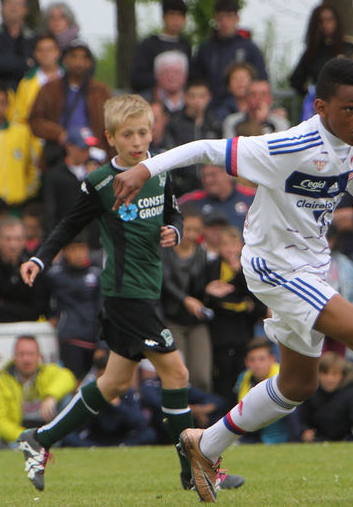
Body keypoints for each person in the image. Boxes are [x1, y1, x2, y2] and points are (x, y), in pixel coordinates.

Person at [110, 58, 353, 502]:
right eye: (349, 109)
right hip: (274, 267)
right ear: (321, 107)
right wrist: (144, 169)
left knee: (297, 384)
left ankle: (204, 445)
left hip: (311, 268)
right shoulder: (289, 145)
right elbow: (206, 148)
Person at [16, 93, 236, 493]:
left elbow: (173, 212)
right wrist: (40, 259)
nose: (138, 142)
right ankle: (196, 470)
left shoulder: (160, 170)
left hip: (146, 291)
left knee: (115, 383)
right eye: (128, 134)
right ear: (110, 138)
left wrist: (177, 230)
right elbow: (67, 226)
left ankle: (40, 439)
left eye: (143, 132)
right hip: (124, 295)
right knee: (177, 373)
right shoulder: (100, 182)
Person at [204, 227, 268, 401]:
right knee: (222, 378)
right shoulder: (212, 266)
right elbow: (213, 298)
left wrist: (238, 273)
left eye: (234, 244)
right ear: (218, 247)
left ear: (241, 246)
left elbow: (256, 299)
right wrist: (240, 302)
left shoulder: (247, 268)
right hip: (220, 334)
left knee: (242, 377)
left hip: (243, 334)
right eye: (225, 245)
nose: (230, 249)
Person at [28, 40, 111, 168]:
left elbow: (112, 126)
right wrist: (59, 134)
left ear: (90, 62)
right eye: (74, 56)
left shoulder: (101, 91)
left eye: (84, 57)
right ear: (65, 59)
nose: (78, 62)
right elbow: (35, 121)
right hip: (60, 156)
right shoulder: (49, 89)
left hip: (93, 155)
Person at [162, 209, 214, 392]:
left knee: (201, 375)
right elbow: (164, 283)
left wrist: (209, 289)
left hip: (196, 319)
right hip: (172, 318)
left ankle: (202, 416)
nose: (192, 235)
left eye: (197, 230)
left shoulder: (202, 253)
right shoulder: (165, 251)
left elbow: (202, 285)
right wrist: (185, 300)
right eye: (188, 229)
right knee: (179, 373)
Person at [0, 335, 78, 444]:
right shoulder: (1, 383)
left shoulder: (48, 372)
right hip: (21, 437)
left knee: (67, 399)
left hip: (49, 430)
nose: (26, 359)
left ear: (38, 356)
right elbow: (1, 422)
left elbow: (69, 378)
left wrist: (51, 396)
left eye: (31, 354)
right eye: (21, 354)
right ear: (14, 357)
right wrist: (29, 437)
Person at [193, 0, 268, 115]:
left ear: (237, 18)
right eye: (221, 17)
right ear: (215, 18)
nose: (225, 22)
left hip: (245, 111)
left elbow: (262, 81)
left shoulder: (250, 48)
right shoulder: (205, 49)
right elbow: (196, 81)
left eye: (229, 17)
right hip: (212, 111)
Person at [47, 236, 102, 381]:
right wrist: (52, 314)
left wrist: (102, 344)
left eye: (82, 248)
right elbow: (42, 296)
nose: (78, 253)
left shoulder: (97, 276)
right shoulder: (54, 275)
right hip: (70, 337)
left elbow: (102, 309)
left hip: (93, 338)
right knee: (73, 383)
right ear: (65, 252)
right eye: (73, 249)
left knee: (98, 384)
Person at [0, 217, 49, 322]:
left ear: (24, 241)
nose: (13, 245)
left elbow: (38, 308)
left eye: (18, 239)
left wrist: (1, 304)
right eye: (8, 239)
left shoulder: (33, 268)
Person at [289, 3, 353, 98]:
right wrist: (311, 95)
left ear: (336, 21)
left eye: (330, 19)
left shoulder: (349, 47)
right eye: (321, 21)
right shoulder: (313, 52)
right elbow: (296, 80)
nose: (326, 24)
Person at [233, 338, 294, 444]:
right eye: (252, 360)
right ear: (246, 362)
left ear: (272, 359)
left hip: (280, 437)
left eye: (261, 359)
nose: (257, 364)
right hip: (252, 435)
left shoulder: (284, 378)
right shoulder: (243, 378)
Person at [131, 0, 192, 94]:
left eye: (180, 15)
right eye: (172, 14)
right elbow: (137, 77)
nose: (176, 20)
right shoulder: (149, 44)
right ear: (164, 17)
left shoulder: (185, 45)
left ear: (184, 19)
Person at [299, 351, 353, 442]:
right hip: (316, 441)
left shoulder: (351, 395)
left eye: (334, 374)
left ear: (342, 376)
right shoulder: (310, 393)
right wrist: (303, 432)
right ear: (318, 374)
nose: (329, 379)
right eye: (325, 373)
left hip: (345, 441)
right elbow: (300, 420)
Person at [178, 164, 254, 231]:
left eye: (213, 175)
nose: (208, 180)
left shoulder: (251, 197)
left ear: (227, 173)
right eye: (204, 176)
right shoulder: (191, 201)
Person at [13, 34, 65, 126]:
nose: (45, 54)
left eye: (49, 50)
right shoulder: (26, 83)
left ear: (58, 52)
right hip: (34, 137)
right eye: (41, 50)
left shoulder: (70, 79)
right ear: (35, 54)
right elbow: (19, 117)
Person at [221, 79, 289, 139]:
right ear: (246, 98)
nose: (258, 98)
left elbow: (278, 149)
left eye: (263, 94)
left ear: (270, 99)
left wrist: (264, 122)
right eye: (253, 94)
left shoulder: (280, 123)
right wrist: (257, 122)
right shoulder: (232, 121)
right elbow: (230, 150)